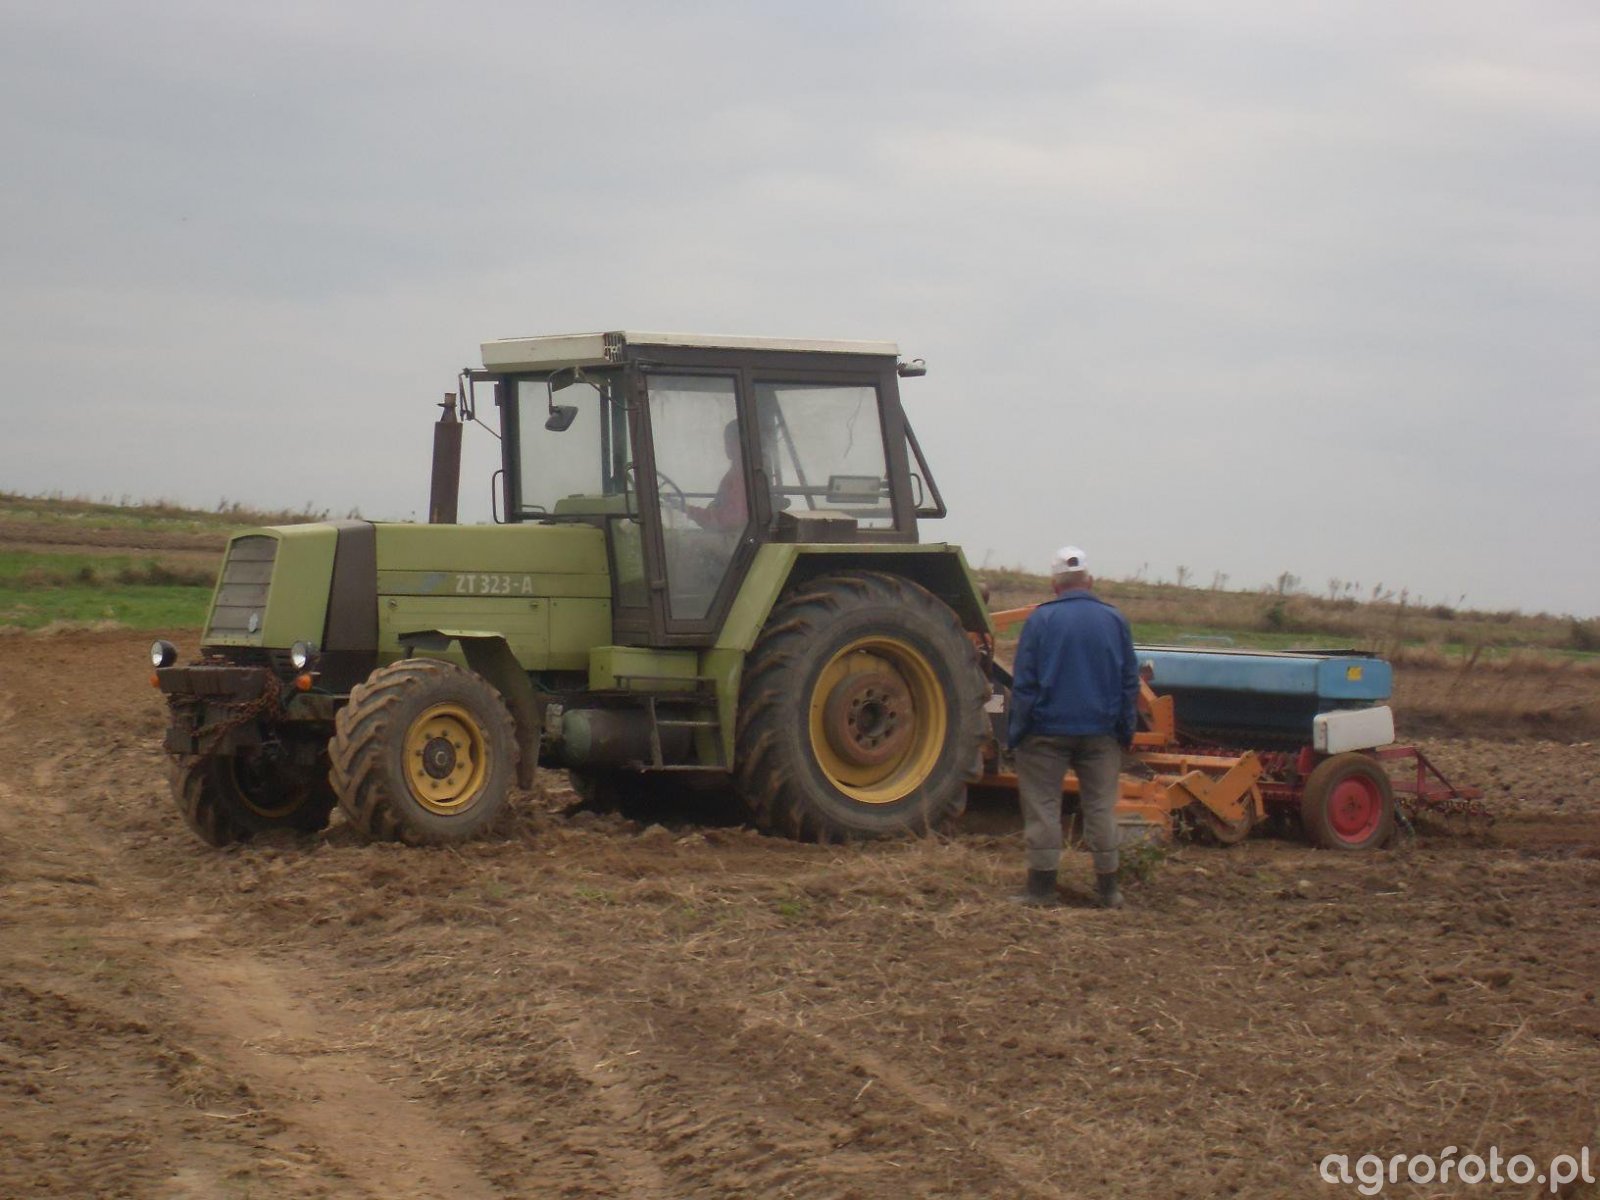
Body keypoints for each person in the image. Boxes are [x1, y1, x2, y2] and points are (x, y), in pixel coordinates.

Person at [1008, 545, 1139, 909]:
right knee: (1100, 808)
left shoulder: (1041, 620)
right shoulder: (1115, 620)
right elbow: (1129, 682)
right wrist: (1125, 731)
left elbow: (1025, 683)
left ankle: (1041, 889)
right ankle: (1109, 890)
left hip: (1045, 733)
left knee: (1044, 807)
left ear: (1055, 586)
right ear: (1090, 581)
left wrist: (1016, 733)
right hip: (1101, 733)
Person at [686, 419, 747, 531]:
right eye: (727, 442)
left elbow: (729, 520)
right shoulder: (735, 473)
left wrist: (695, 513)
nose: (727, 447)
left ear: (742, 444)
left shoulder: (742, 478)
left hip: (733, 535)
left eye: (731, 442)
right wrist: (689, 510)